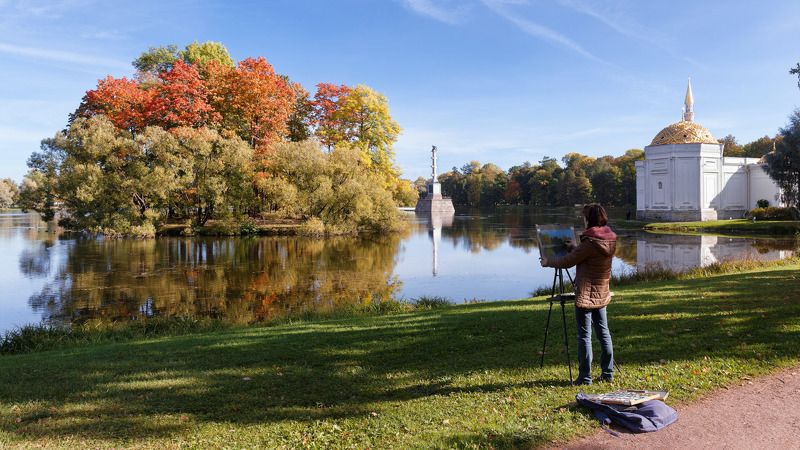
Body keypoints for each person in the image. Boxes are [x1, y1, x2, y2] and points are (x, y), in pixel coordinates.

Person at [540, 204, 616, 385]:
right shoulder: (609, 239)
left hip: (586, 294)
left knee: (584, 336)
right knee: (604, 333)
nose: (583, 219)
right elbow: (586, 255)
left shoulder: (590, 242)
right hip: (602, 291)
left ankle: (585, 377)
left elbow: (568, 261)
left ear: (589, 218)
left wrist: (548, 261)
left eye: (584, 217)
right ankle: (608, 373)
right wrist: (575, 246)